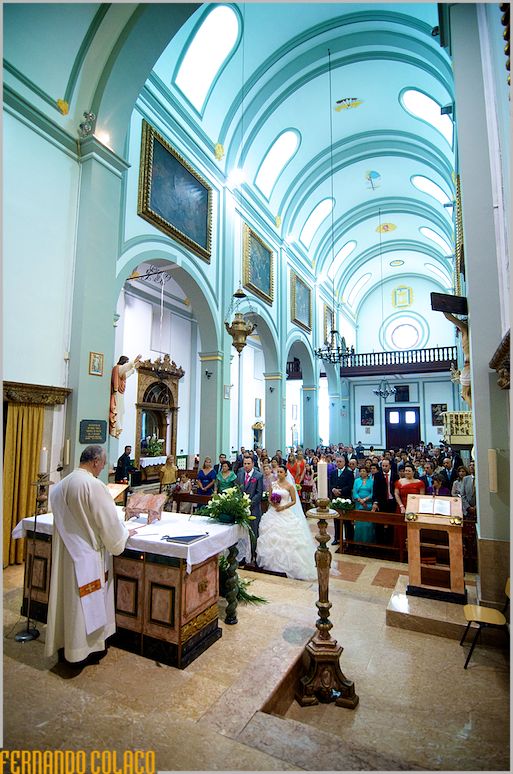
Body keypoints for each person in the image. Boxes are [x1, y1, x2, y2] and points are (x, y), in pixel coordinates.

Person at [45, 445, 137, 666]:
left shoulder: (61, 485)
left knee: (68, 602)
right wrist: (124, 533)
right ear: (95, 462)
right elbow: (109, 524)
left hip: (66, 556)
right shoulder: (93, 486)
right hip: (88, 557)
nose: (102, 469)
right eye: (102, 465)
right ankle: (86, 650)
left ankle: (66, 645)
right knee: (85, 603)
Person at [256, 464, 316, 580]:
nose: (278, 474)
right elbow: (269, 497)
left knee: (287, 539)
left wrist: (283, 507)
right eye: (277, 472)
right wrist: (272, 503)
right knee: (270, 536)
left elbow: (293, 501)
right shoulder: (273, 484)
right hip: (273, 512)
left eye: (281, 472)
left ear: (285, 473)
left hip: (284, 511)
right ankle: (271, 564)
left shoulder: (290, 486)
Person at [236, 455, 263, 560]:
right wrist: (241, 503)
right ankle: (243, 555)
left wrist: (248, 503)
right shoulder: (240, 474)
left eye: (248, 464)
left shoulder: (258, 476)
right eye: (244, 464)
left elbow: (259, 493)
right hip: (242, 508)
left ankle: (253, 555)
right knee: (242, 532)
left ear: (252, 464)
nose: (246, 466)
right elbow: (237, 489)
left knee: (253, 532)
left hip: (253, 509)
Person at [109, 354, 141, 438]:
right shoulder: (118, 368)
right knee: (118, 410)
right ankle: (116, 428)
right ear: (123, 361)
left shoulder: (121, 373)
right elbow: (126, 367)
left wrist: (133, 368)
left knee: (121, 411)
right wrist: (134, 362)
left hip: (121, 393)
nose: (127, 363)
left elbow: (127, 374)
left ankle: (118, 429)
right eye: (126, 361)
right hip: (117, 393)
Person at [329, 455, 354, 544]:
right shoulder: (333, 472)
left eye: (340, 461)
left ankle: (349, 539)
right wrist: (333, 489)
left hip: (345, 498)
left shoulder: (349, 473)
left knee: (347, 520)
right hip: (336, 498)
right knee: (336, 519)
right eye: (337, 461)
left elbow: (350, 485)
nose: (338, 463)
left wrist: (341, 490)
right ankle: (337, 538)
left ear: (344, 462)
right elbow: (330, 484)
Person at [352, 467, 375, 543]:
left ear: (368, 473)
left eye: (364, 471)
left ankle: (368, 541)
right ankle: (358, 541)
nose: (362, 472)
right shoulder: (357, 481)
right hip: (359, 503)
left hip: (368, 503)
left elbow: (372, 493)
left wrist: (365, 500)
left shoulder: (371, 481)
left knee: (368, 524)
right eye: (361, 471)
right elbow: (354, 492)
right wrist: (360, 500)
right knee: (359, 524)